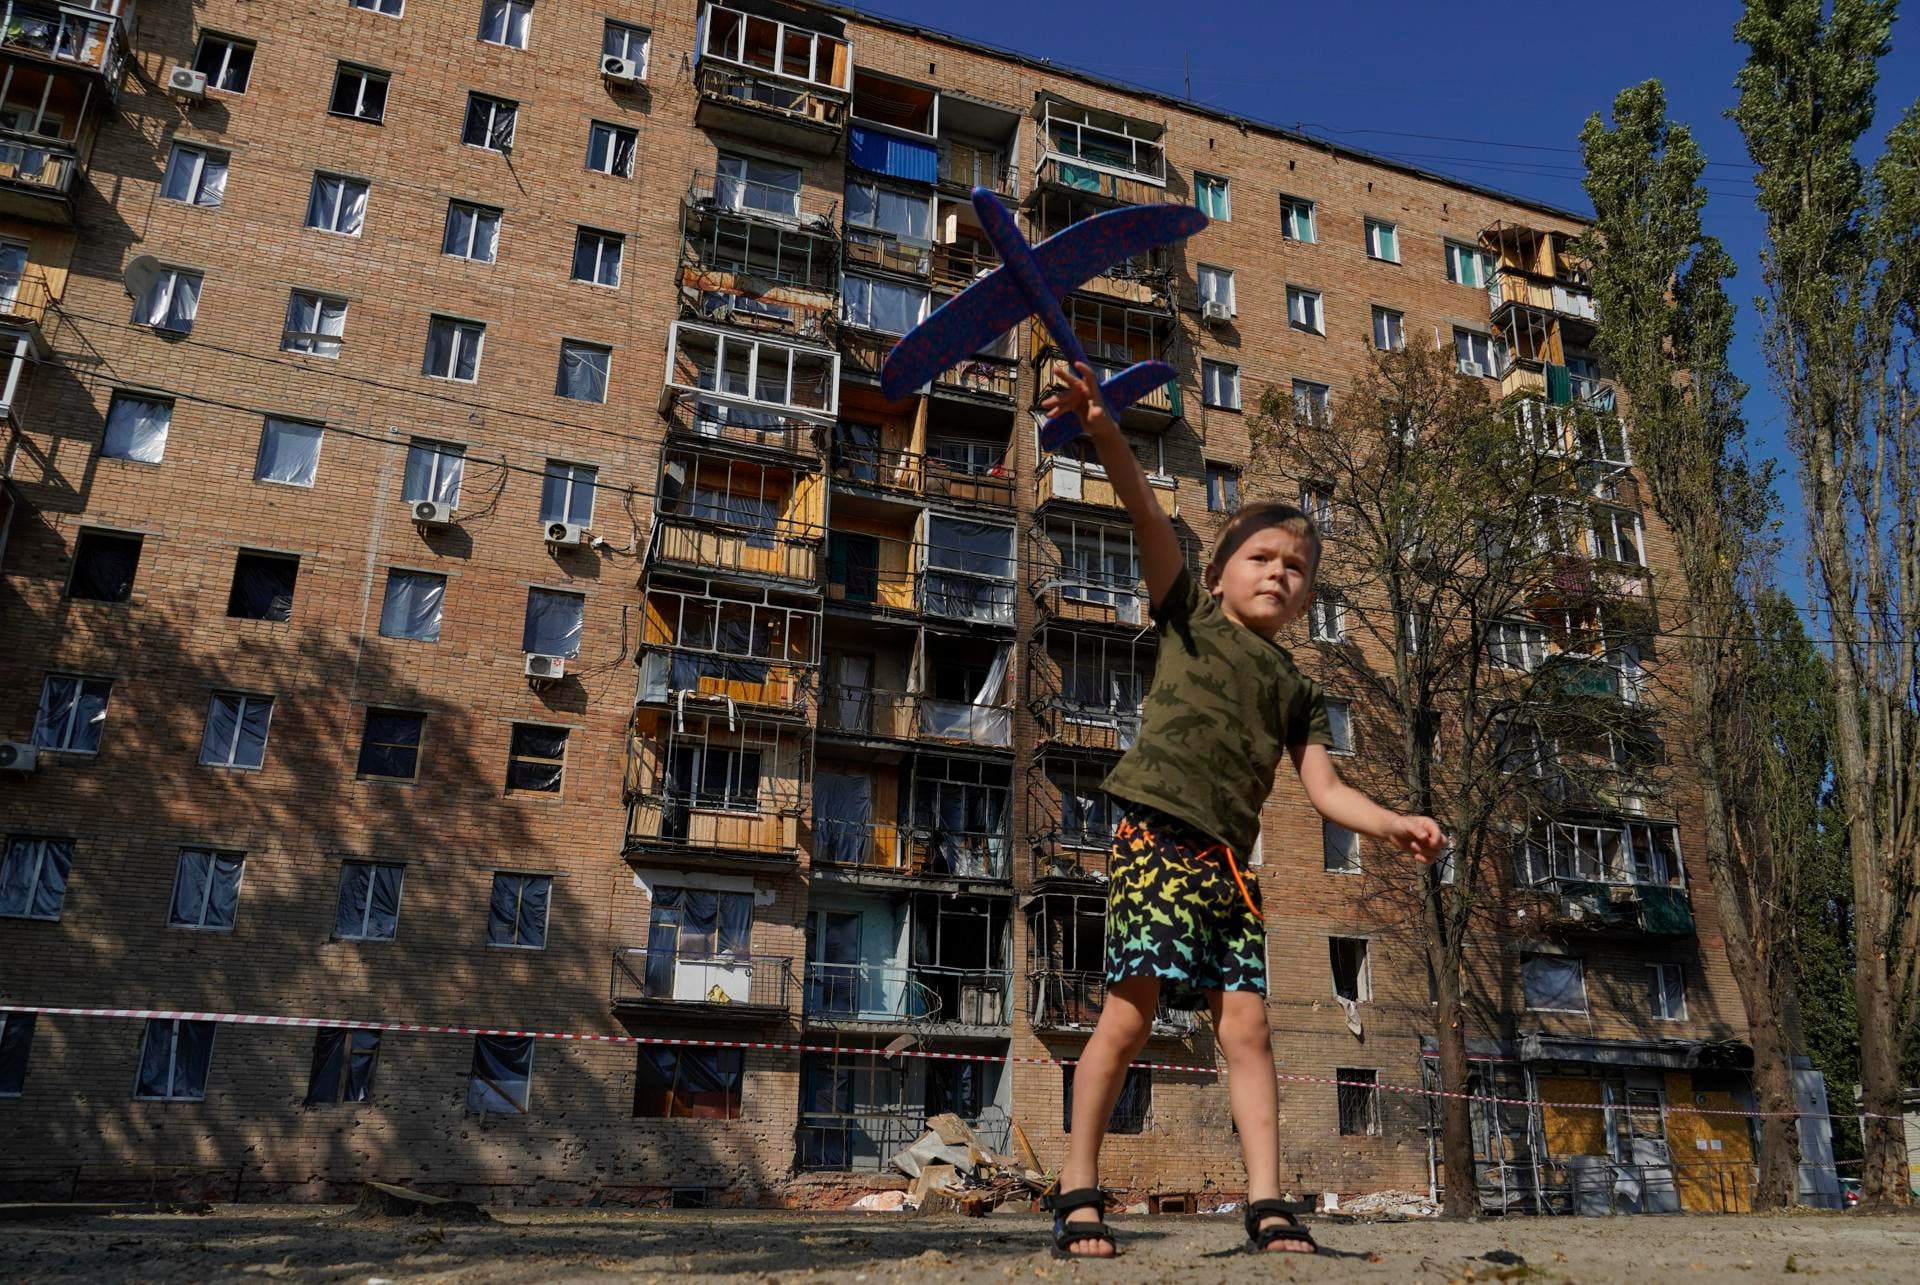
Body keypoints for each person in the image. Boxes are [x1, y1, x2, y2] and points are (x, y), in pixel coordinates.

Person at [1036, 363, 1445, 1259]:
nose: (1281, 573)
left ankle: (1267, 1202)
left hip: (1229, 865)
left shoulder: (1297, 686)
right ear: (1217, 574)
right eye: (1262, 557)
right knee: (1130, 1014)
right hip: (1153, 835)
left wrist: (1393, 823)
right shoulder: (1187, 614)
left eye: (1297, 568)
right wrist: (1107, 432)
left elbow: (1326, 790)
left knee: (1249, 1025)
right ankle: (1077, 1188)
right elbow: (1148, 515)